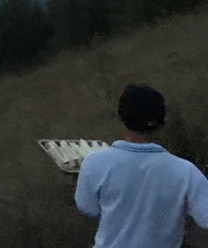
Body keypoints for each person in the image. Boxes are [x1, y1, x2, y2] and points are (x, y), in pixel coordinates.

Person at [75, 84, 208, 248]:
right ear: (162, 122)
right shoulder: (186, 172)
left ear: (121, 117)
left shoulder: (94, 162)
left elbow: (88, 208)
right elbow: (205, 217)